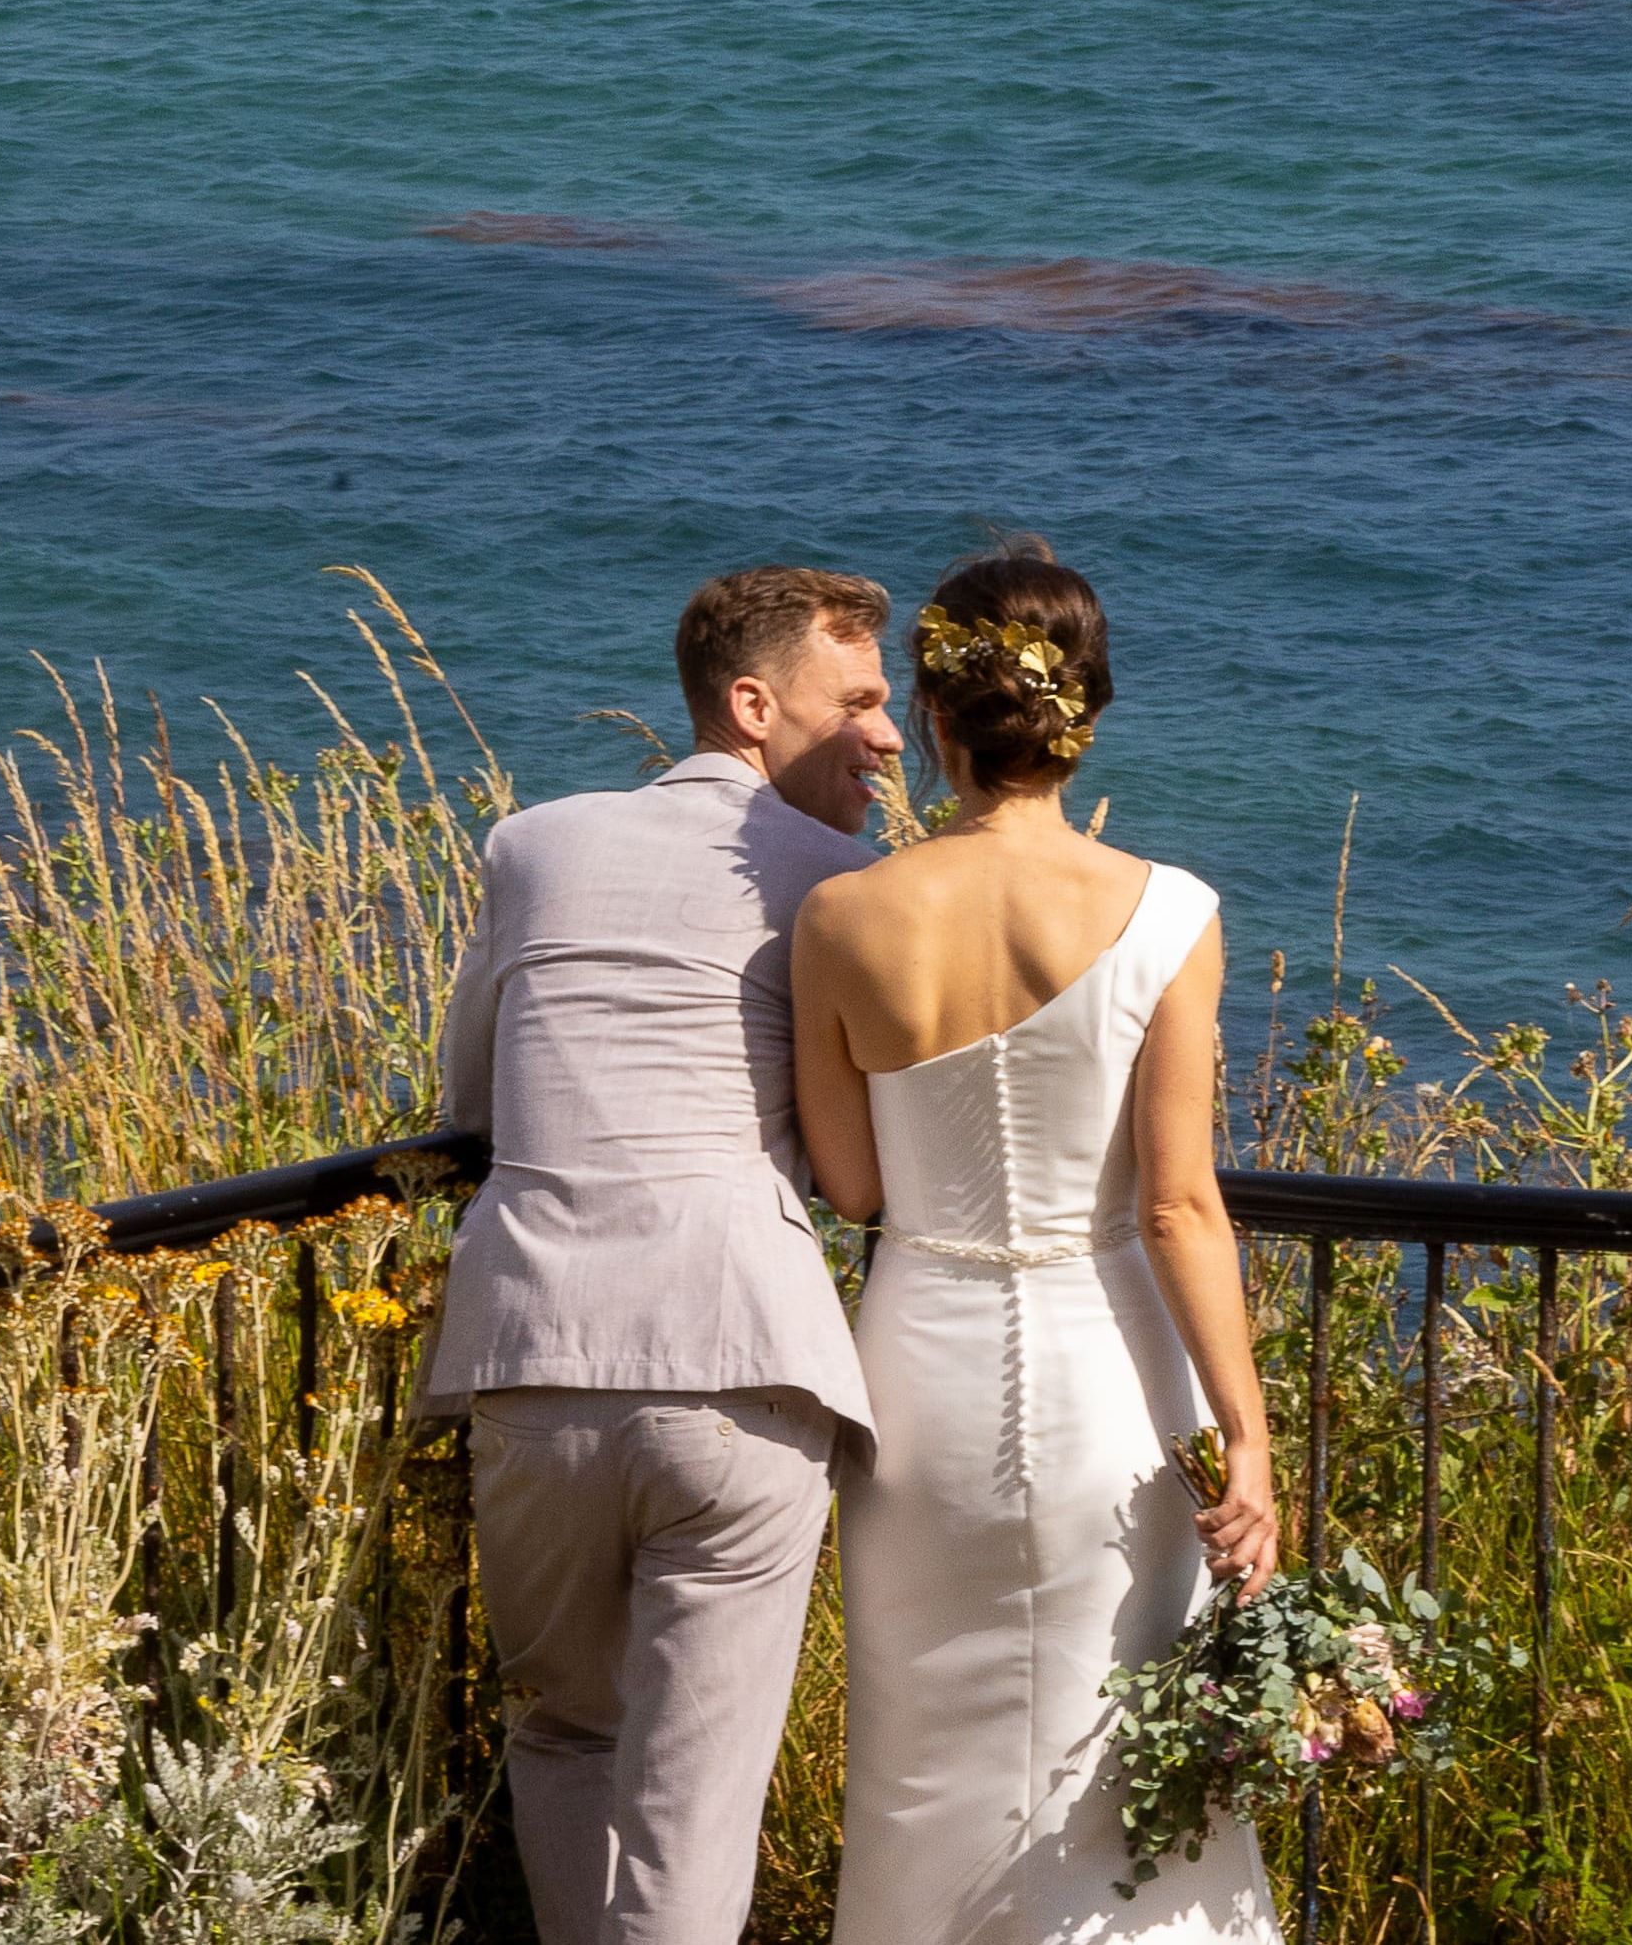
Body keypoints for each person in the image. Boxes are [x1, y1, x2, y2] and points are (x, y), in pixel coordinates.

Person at [792, 541, 1284, 1945]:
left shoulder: (841, 916)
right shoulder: (1171, 912)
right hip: (1109, 1371)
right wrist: (1246, 1439)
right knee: (1124, 1748)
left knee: (917, 1759)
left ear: (938, 721)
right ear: (1089, 711)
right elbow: (1179, 1206)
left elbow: (853, 1183)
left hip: (919, 1375)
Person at [414, 565, 904, 1945]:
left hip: (535, 1351)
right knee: (697, 1796)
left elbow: (472, 1104)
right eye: (857, 702)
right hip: (742, 1362)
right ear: (754, 706)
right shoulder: (846, 888)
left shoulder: (535, 844)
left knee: (567, 1737)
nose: (885, 735)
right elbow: (866, 1157)